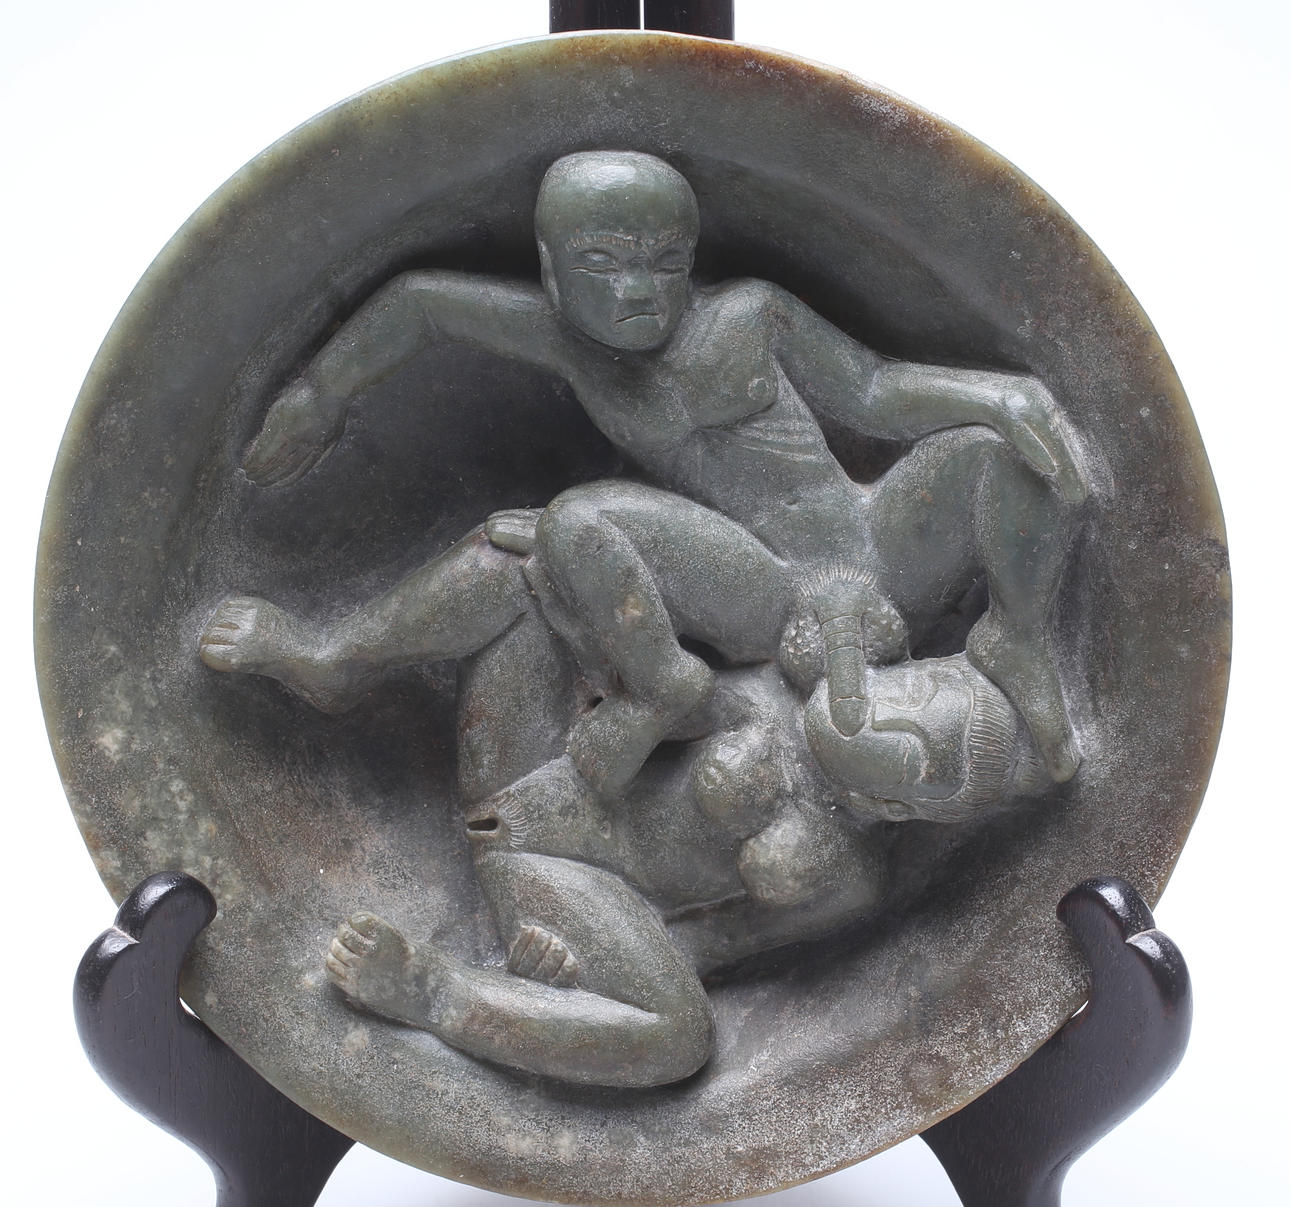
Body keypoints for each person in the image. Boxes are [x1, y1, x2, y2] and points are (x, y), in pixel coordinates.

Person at [199, 150, 1086, 1087]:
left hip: (593, 854)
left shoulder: (843, 860)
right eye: (604, 263)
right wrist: (321, 395)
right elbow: (423, 304)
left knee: (1008, 455)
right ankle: (337, 660)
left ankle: (1018, 638)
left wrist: (579, 968)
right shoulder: (779, 686)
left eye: (664, 263)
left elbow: (871, 389)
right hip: (718, 619)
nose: (637, 291)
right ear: (552, 273)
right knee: (536, 549)